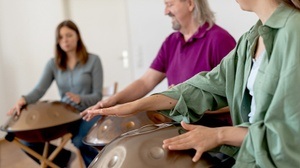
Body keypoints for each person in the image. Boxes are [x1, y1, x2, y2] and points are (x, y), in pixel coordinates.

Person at [81, 0, 300, 167]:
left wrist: (218, 135)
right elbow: (207, 85)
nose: (165, 10)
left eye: (170, 3)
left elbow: (291, 135)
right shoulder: (250, 39)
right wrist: (138, 105)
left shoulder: (294, 32)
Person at [88, 0, 236, 111]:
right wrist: (114, 100)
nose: (166, 11)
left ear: (190, 3)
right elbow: (145, 82)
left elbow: (236, 98)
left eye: (169, 4)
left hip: (211, 134)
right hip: (177, 126)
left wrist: (188, 101)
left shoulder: (219, 40)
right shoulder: (171, 42)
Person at [7, 20, 103, 167]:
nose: (64, 40)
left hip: (87, 113)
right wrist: (23, 99)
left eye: (69, 35)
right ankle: (64, 159)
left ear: (77, 36)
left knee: (81, 140)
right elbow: (39, 90)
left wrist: (80, 99)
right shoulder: (53, 64)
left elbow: (97, 96)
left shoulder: (93, 60)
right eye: (60, 37)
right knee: (26, 138)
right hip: (64, 116)